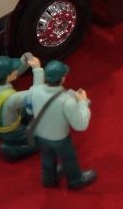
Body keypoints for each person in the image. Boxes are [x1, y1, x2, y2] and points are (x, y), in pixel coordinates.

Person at [26, 60, 96, 189]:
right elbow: (80, 125)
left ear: (45, 77)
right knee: (69, 159)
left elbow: (29, 110)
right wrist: (83, 103)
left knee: (47, 157)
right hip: (60, 139)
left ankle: (49, 180)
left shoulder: (34, 91)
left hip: (40, 136)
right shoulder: (67, 100)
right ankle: (75, 180)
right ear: (63, 79)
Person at [0, 52, 42, 161]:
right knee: (40, 141)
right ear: (8, 75)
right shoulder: (11, 98)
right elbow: (36, 94)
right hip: (9, 132)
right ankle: (11, 150)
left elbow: (15, 73)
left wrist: (25, 60)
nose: (16, 70)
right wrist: (37, 69)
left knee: (26, 111)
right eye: (14, 69)